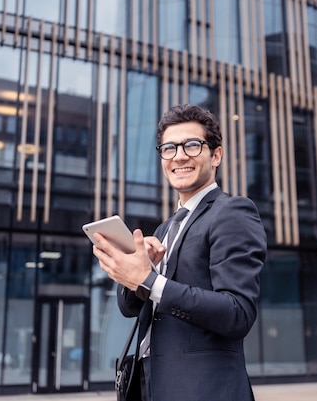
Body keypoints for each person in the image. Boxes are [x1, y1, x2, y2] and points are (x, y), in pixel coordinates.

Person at [94, 104, 267, 401]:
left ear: (216, 155)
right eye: (169, 148)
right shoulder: (163, 230)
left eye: (192, 145)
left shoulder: (233, 212)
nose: (180, 156)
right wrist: (133, 274)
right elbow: (130, 309)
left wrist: (150, 281)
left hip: (204, 390)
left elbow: (237, 312)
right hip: (150, 385)